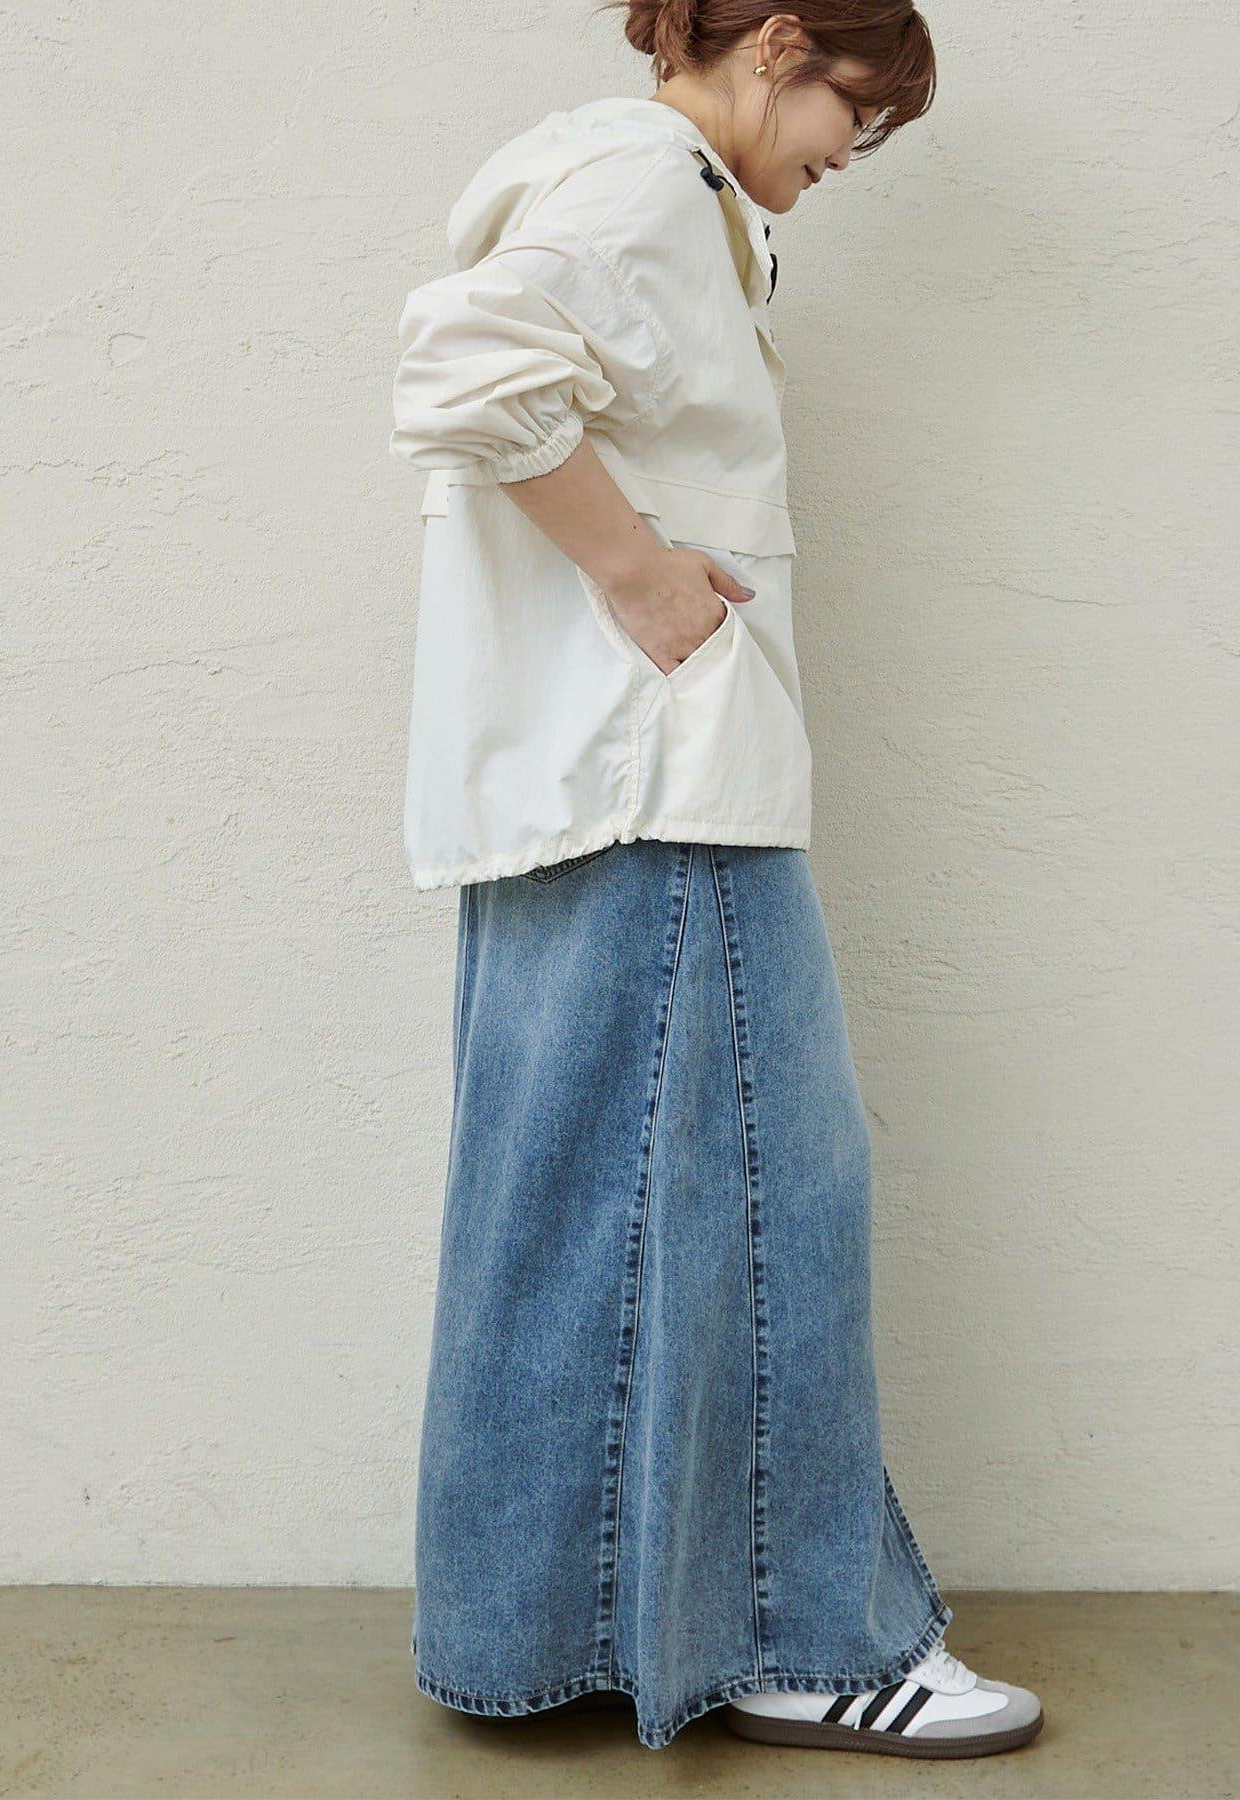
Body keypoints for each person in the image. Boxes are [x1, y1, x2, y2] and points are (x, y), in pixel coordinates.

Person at [387, 0, 1044, 1761]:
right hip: (659, 787)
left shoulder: (633, 186)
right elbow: (460, 362)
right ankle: (804, 1635)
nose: (847, 157)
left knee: (577, 1213)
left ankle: (531, 1637)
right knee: (771, 1202)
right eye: (853, 113)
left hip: (583, 788)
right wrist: (640, 576)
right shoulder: (647, 181)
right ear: (774, 43)